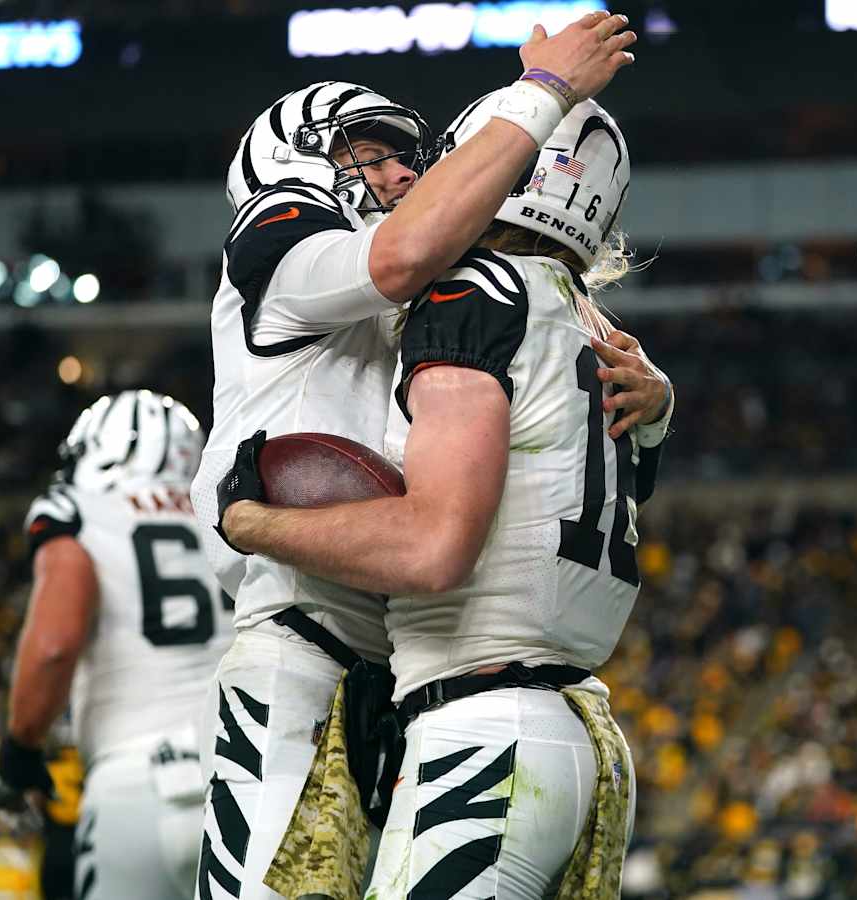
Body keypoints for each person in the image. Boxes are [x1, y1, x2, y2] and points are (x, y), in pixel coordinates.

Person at [189, 11, 653, 900]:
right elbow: (399, 257)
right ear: (301, 160)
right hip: (308, 636)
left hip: (409, 669)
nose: (406, 170)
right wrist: (544, 95)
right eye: (371, 151)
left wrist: (656, 395)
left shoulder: (468, 295)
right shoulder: (284, 242)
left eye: (413, 155)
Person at [0, 390, 231, 900]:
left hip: (134, 781)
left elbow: (56, 642)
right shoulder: (229, 510)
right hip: (238, 774)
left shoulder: (80, 507)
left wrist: (20, 750)